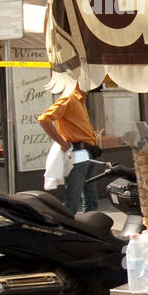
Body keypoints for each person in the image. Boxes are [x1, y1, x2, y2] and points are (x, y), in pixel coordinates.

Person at [37, 85, 100, 213]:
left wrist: (93, 143)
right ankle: (68, 224)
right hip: (78, 150)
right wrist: (62, 143)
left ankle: (90, 223)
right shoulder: (70, 98)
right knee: (75, 192)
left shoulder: (80, 99)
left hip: (86, 150)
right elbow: (44, 119)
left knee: (89, 192)